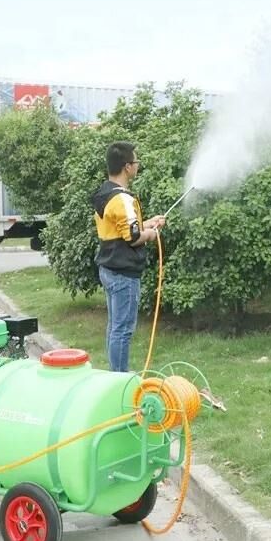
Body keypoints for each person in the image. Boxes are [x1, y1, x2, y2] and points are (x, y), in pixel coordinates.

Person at [92, 141, 165, 372]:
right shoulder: (123, 199)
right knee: (123, 330)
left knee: (115, 327)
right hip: (124, 273)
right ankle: (120, 378)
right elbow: (133, 238)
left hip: (109, 269)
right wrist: (152, 234)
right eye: (136, 161)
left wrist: (148, 223)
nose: (137, 165)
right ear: (127, 167)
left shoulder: (105, 193)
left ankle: (115, 374)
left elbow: (121, 228)